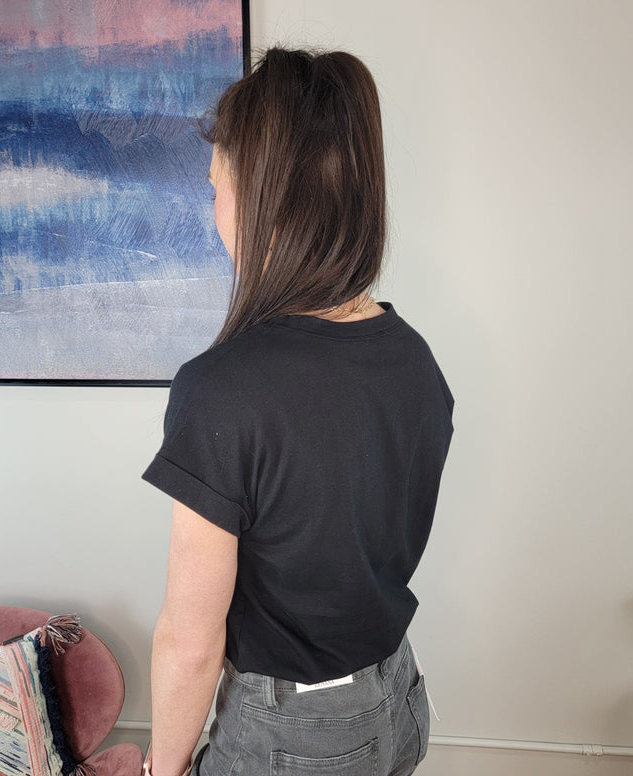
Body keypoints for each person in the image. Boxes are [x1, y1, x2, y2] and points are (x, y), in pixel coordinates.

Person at [142, 47, 454, 776]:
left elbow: (191, 642)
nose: (213, 209)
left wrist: (161, 767)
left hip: (296, 738)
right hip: (399, 698)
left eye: (215, 186)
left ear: (261, 201)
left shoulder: (222, 389)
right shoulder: (413, 356)